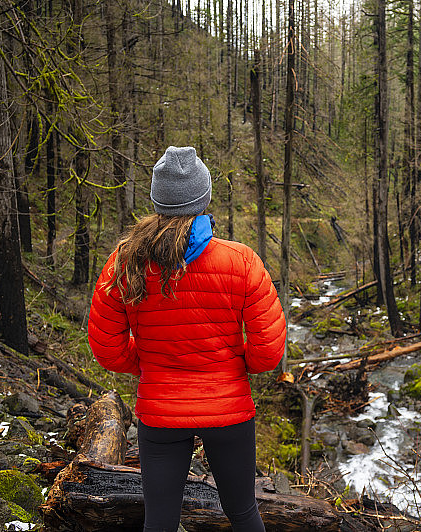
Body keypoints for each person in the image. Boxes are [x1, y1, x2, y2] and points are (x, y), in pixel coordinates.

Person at [88, 146, 286, 532]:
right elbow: (267, 353)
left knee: (159, 521)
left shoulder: (125, 262)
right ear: (204, 199)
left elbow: (107, 347)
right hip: (228, 410)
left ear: (156, 199)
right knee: (243, 512)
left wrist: (148, 362)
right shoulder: (241, 260)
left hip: (160, 411)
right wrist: (230, 365)